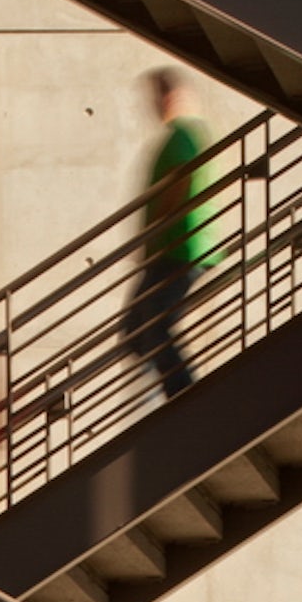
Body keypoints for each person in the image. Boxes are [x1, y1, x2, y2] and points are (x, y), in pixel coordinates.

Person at [123, 67, 212, 400]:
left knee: (153, 327)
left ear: (171, 95)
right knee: (136, 330)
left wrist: (158, 226)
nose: (153, 104)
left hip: (180, 248)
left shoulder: (183, 134)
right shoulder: (181, 134)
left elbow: (181, 180)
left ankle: (184, 396)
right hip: (170, 248)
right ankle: (158, 399)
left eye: (157, 95)